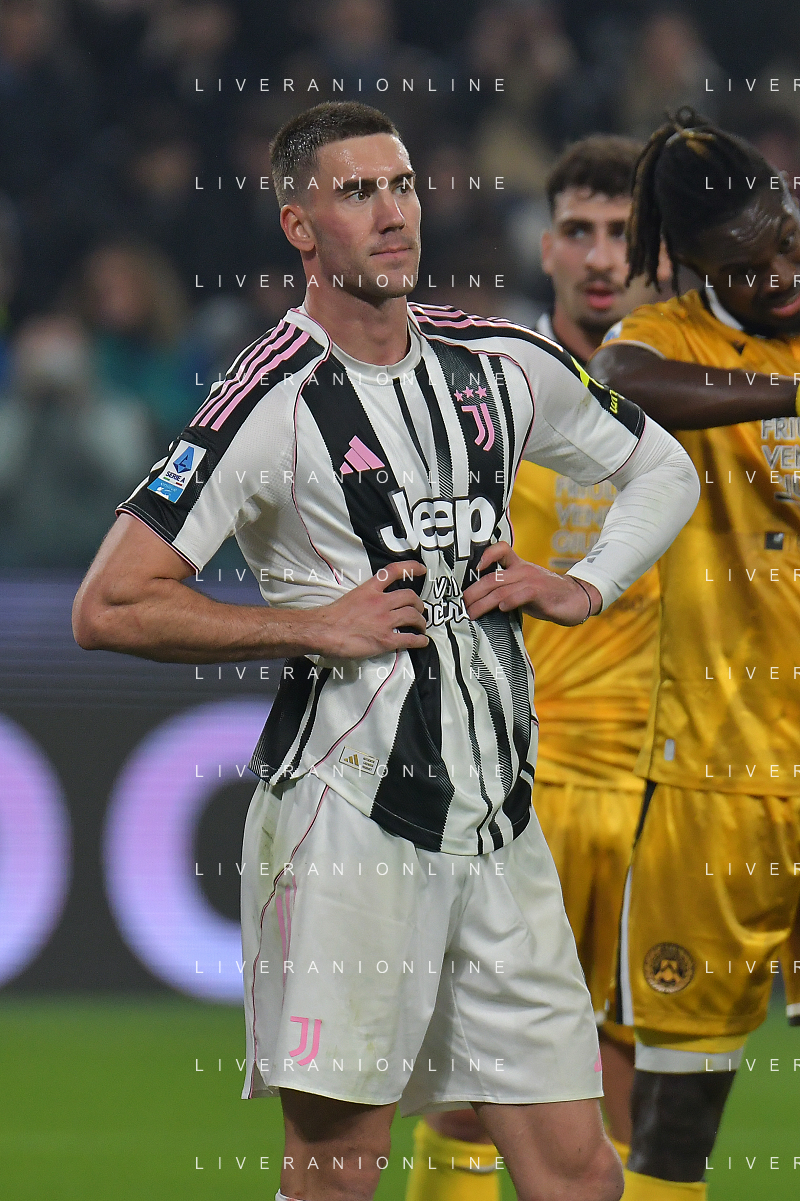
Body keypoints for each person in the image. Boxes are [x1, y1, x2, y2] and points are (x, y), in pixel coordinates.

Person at [72, 101, 698, 1201]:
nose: (393, 212)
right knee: (336, 1176)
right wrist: (313, 623)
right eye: (357, 192)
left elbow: (664, 469)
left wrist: (584, 581)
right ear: (298, 226)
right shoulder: (268, 397)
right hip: (348, 825)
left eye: (401, 185)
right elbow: (111, 602)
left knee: (580, 1176)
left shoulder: (497, 361)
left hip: (499, 826)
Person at [405, 134, 670, 1201]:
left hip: (657, 787)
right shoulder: (487, 395)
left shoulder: (703, 399)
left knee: (631, 1089)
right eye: (578, 231)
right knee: (475, 1088)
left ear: (658, 254)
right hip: (518, 778)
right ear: (546, 246)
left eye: (623, 234)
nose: (601, 257)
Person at [589, 108, 800, 1201]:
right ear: (692, 265)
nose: (780, 275)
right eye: (747, 266)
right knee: (677, 1113)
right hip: (714, 781)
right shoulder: (666, 339)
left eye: (787, 240)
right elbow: (618, 385)